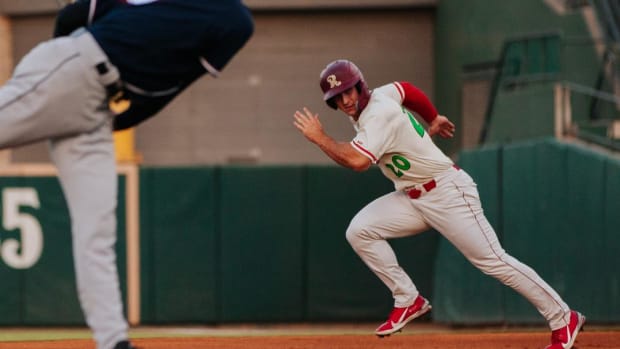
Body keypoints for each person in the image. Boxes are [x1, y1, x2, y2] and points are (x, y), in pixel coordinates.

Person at [0, 1, 253, 348]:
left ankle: (114, 341)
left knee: (97, 233)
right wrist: (61, 70)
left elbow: (172, 85)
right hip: (74, 68)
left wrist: (115, 119)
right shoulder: (225, 18)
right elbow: (72, 16)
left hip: (96, 111)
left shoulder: (234, 20)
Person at [293, 59, 585, 349]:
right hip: (412, 197)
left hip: (447, 192)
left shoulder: (377, 113)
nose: (345, 100)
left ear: (360, 86)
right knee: (360, 230)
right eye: (337, 97)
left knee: (494, 261)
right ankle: (408, 298)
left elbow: (357, 161)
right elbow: (406, 90)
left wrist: (320, 138)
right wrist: (432, 117)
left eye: (348, 91)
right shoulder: (382, 95)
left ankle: (563, 317)